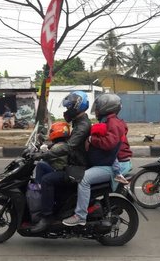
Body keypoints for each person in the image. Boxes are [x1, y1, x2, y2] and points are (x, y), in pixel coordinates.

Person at [62, 93, 132, 226]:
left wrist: (91, 139)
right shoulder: (108, 120)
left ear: (107, 107)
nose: (97, 110)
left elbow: (110, 143)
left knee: (84, 179)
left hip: (115, 164)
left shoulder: (114, 123)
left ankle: (80, 216)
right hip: (110, 161)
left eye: (99, 107)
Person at [30, 91, 92, 233]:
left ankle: (47, 217)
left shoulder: (82, 126)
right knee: (42, 167)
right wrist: (47, 147)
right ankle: (43, 201)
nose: (66, 111)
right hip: (72, 164)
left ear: (76, 107)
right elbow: (66, 141)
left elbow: (69, 146)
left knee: (47, 180)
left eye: (68, 108)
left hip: (77, 168)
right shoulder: (78, 123)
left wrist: (46, 154)